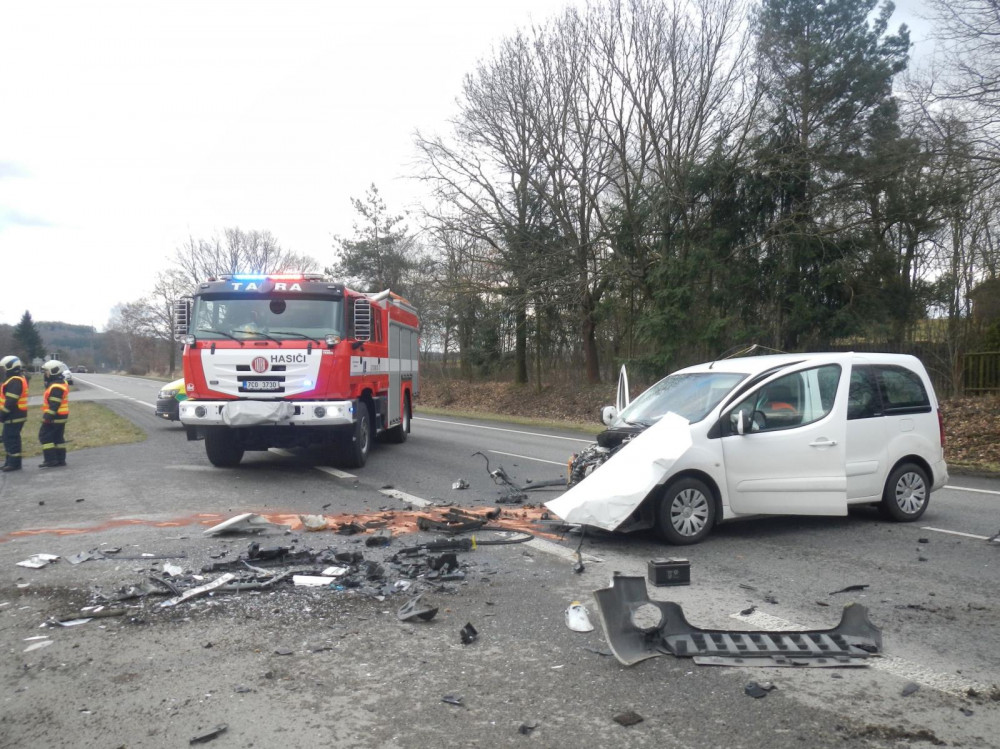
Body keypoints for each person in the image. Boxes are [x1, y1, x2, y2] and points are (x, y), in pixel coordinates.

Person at [38, 359, 70, 468]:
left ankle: (50, 460)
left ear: (53, 371)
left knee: (45, 437)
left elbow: (54, 404)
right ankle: (60, 459)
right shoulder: (60, 383)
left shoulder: (56, 386)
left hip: (55, 416)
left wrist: (48, 417)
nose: (45, 374)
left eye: (46, 371)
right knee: (58, 438)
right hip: (61, 415)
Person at [0, 355, 29, 472]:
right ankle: (10, 462)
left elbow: (11, 401)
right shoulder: (15, 379)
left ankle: (14, 463)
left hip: (14, 415)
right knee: (8, 438)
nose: (3, 370)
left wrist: (2, 414)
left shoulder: (15, 381)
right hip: (14, 415)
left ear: (10, 367)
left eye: (4, 368)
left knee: (11, 439)